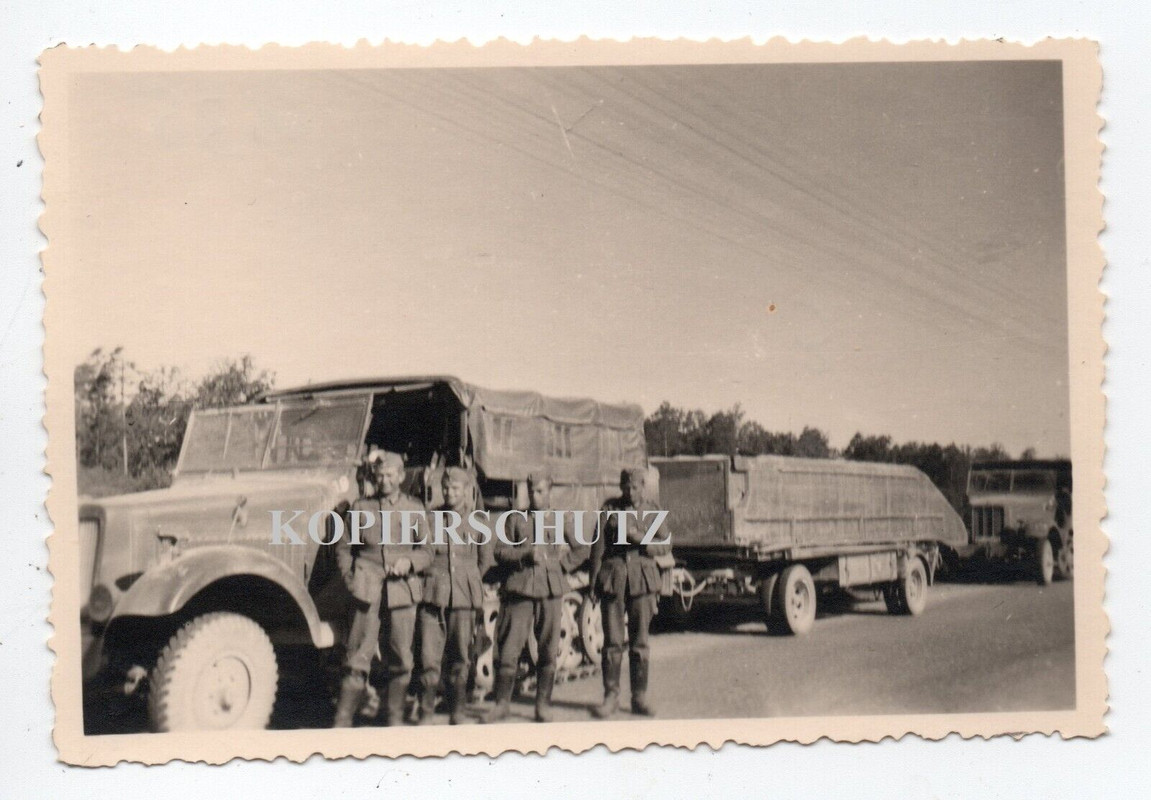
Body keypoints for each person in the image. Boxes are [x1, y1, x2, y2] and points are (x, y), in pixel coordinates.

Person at [332, 449, 431, 727]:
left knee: (400, 657)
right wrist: (351, 580)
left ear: (400, 477)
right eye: (380, 475)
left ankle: (394, 717)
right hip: (366, 589)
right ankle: (342, 720)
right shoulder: (361, 508)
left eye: (389, 475)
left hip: (402, 590)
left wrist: (408, 562)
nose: (384, 480)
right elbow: (344, 549)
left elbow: (427, 551)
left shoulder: (414, 509)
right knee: (357, 656)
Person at [484, 473, 589, 723]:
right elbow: (500, 551)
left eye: (540, 491)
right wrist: (525, 554)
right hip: (520, 589)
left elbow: (582, 549)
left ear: (550, 492)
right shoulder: (515, 519)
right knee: (508, 648)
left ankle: (542, 705)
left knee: (548, 649)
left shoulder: (560, 519)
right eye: (531, 491)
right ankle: (502, 704)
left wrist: (560, 567)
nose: (534, 496)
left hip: (550, 590)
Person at [589, 467, 672, 718]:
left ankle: (639, 697)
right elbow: (598, 548)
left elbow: (666, 543)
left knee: (640, 642)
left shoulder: (652, 510)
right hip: (614, 581)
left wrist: (642, 540)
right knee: (612, 642)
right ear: (621, 487)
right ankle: (610, 696)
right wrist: (593, 583)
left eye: (635, 487)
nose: (630, 492)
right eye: (626, 487)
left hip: (642, 582)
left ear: (642, 487)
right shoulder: (609, 509)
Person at [417, 467, 493, 725]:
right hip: (433, 595)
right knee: (429, 656)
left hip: (463, 597)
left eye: (455, 488)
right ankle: (426, 712)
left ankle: (457, 711)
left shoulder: (478, 521)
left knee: (461, 656)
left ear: (467, 490)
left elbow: (484, 560)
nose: (449, 492)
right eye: (446, 488)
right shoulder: (430, 519)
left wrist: (466, 579)